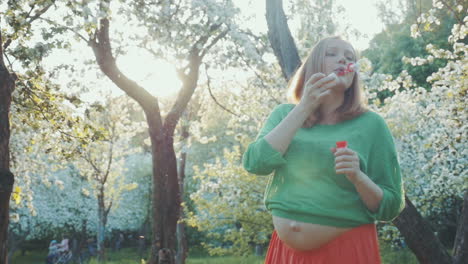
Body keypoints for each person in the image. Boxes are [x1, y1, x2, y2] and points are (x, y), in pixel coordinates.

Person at [242, 36, 405, 264]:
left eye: (349, 57)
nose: (343, 59)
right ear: (313, 65)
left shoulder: (371, 125)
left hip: (346, 250)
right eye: (332, 54)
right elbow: (255, 164)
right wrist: (304, 107)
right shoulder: (284, 114)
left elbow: (390, 206)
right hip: (285, 254)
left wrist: (358, 177)